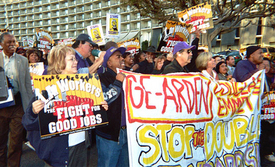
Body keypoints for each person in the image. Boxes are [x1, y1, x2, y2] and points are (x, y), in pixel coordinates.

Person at [22, 45, 108, 166]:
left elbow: (87, 113)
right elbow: (27, 122)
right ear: (59, 62)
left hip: (81, 145)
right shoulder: (46, 86)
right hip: (59, 151)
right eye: (71, 59)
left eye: (75, 59)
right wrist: (33, 111)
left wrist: (99, 107)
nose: (76, 62)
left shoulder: (82, 84)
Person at [0, 32, 33, 167]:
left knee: (16, 141)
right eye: (9, 42)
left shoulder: (23, 60)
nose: (12, 44)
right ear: (1, 44)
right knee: (1, 142)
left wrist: (30, 106)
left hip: (18, 105)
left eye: (14, 42)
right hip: (1, 106)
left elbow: (26, 85)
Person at [96, 46, 129, 167]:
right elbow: (104, 99)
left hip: (126, 132)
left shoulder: (129, 76)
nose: (122, 59)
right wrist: (118, 82)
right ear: (109, 63)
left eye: (122, 56)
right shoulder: (101, 78)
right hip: (109, 135)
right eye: (118, 57)